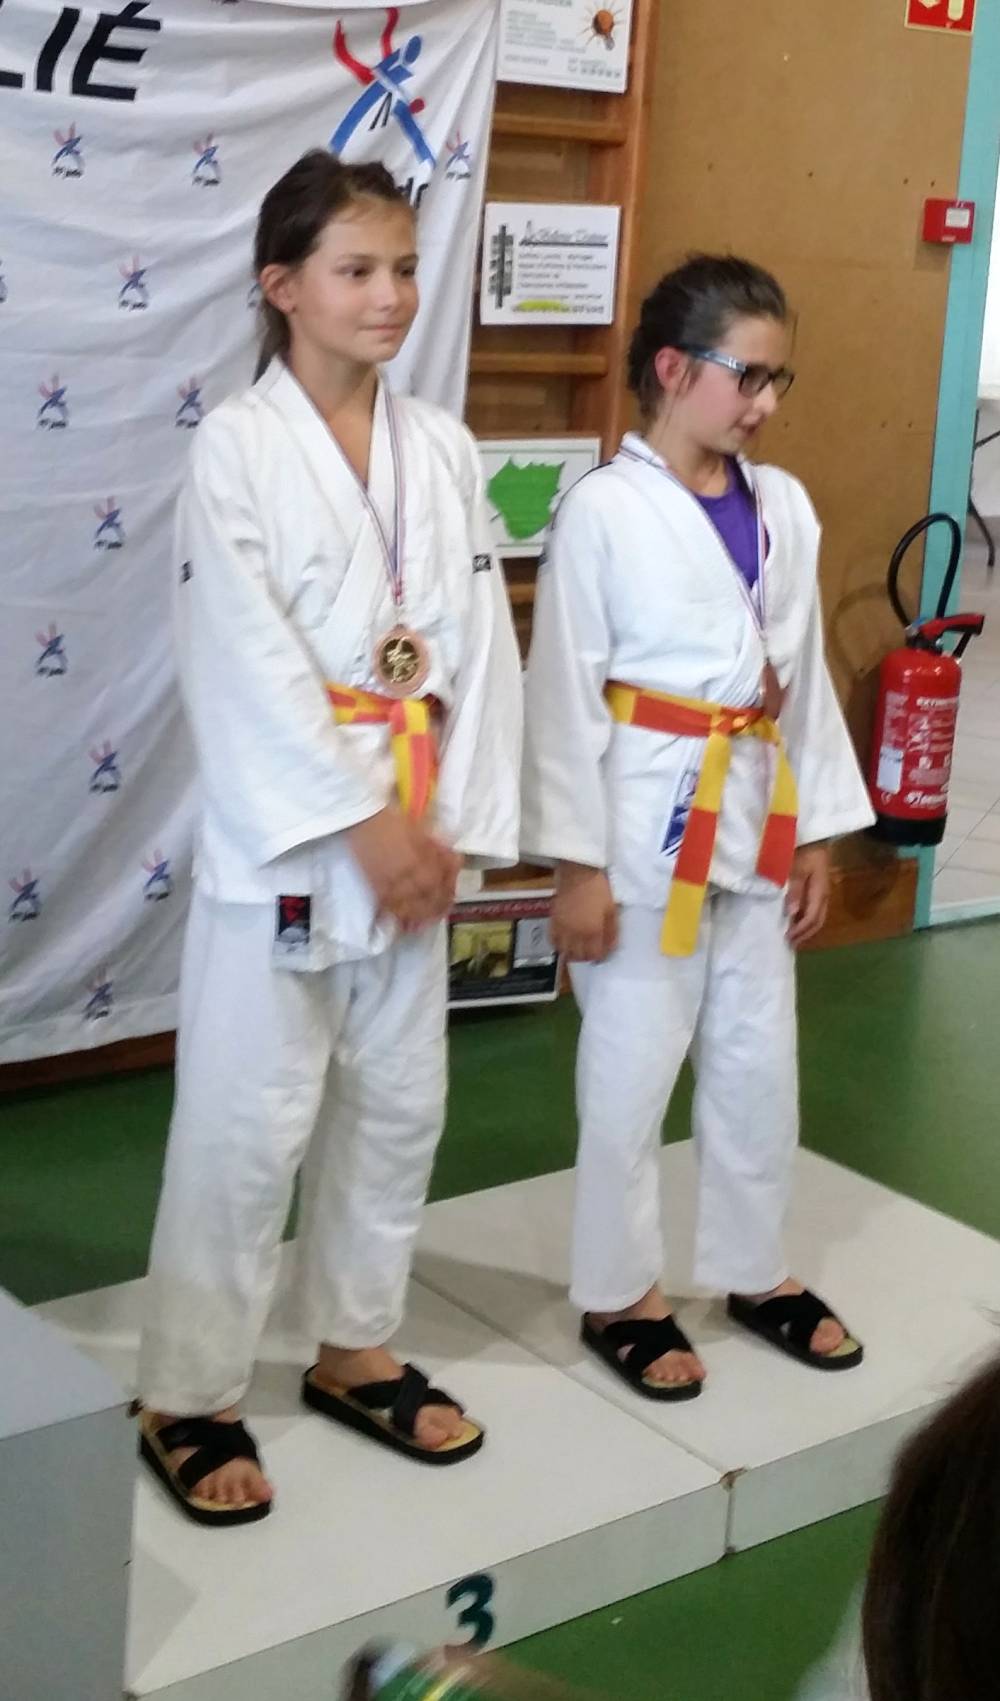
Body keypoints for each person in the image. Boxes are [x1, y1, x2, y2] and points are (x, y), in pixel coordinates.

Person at [135, 150, 522, 1525]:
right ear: (282, 285)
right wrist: (362, 820)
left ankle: (355, 1344)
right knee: (248, 1125)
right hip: (299, 846)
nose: (390, 294)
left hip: (416, 835)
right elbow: (237, 655)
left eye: (403, 268)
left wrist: (452, 824)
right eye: (356, 269)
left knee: (398, 1106)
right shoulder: (236, 449)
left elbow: (478, 647)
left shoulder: (442, 447)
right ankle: (188, 1391)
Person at [521, 254, 873, 1400]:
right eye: (746, 377)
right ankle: (619, 1293)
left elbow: (798, 685)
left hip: (759, 813)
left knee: (756, 1062)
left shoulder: (783, 506)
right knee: (630, 1073)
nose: (764, 404)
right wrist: (575, 867)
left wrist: (816, 834)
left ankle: (754, 1270)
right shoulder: (603, 510)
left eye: (778, 380)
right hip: (641, 827)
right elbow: (562, 695)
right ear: (673, 369)